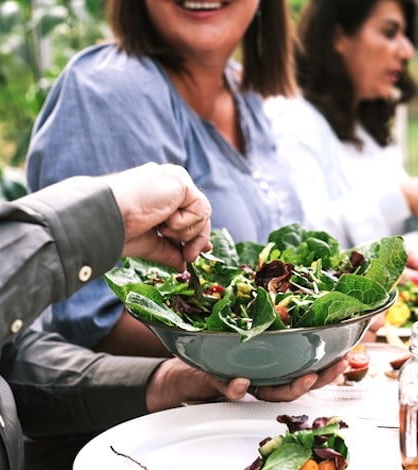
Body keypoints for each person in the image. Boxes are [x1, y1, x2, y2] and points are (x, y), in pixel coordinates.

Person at [0, 1, 346, 470]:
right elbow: (81, 319)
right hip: (114, 460)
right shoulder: (111, 88)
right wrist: (104, 216)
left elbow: (2, 361)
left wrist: (174, 380)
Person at [25, 0, 303, 357]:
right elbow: (94, 322)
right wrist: (271, 346)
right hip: (160, 410)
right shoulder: (113, 87)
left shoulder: (241, 90)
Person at [265, 0, 418, 282]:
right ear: (338, 37)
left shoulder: (367, 127)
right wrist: (402, 197)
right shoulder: (291, 120)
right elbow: (300, 243)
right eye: (389, 32)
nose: (407, 50)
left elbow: (398, 232)